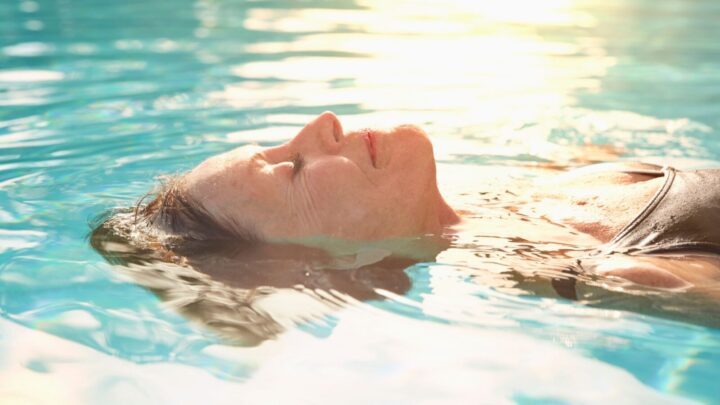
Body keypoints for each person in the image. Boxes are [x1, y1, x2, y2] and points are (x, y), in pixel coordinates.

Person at [91, 111, 720, 334]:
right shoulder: (605, 274)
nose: (322, 125)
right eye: (291, 171)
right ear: (338, 269)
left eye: (283, 146)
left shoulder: (515, 188)